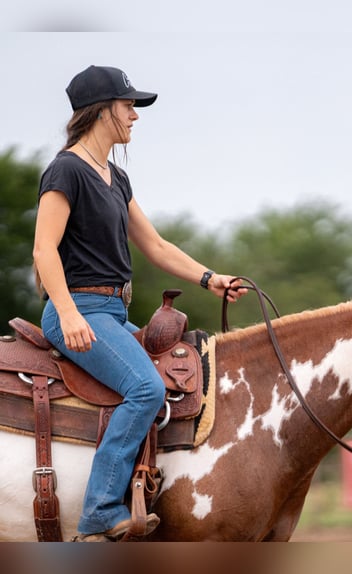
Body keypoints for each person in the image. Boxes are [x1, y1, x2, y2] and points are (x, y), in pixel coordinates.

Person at [33, 65, 246, 542]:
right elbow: (44, 249)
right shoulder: (66, 170)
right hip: (79, 309)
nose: (134, 115)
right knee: (146, 389)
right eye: (128, 105)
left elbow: (156, 246)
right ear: (103, 109)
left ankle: (151, 490)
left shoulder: (116, 178)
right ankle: (99, 511)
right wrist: (67, 313)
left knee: (176, 375)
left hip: (112, 313)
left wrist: (210, 278)